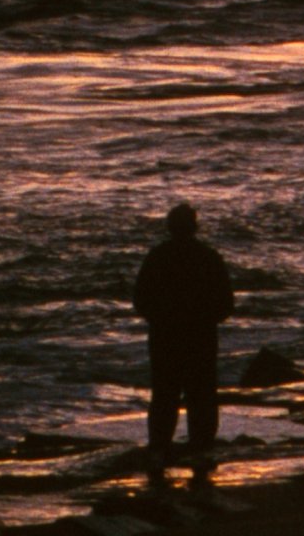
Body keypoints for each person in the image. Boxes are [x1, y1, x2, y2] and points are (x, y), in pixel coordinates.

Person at [133, 202, 235, 482]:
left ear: (169, 227)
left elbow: (140, 300)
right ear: (194, 227)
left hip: (165, 338)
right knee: (201, 396)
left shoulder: (158, 257)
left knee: (164, 396)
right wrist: (204, 318)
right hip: (200, 338)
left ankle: (159, 455)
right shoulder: (208, 257)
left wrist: (162, 318)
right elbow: (226, 303)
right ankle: (201, 458)